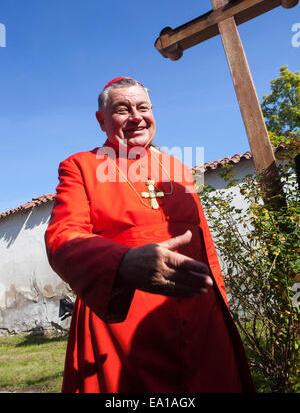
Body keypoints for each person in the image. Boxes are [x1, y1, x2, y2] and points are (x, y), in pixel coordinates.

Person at [45, 77, 254, 393]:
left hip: (200, 317)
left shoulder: (178, 169)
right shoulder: (81, 167)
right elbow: (63, 236)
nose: (136, 117)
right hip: (120, 320)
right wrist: (122, 263)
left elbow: (203, 244)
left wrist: (219, 306)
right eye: (122, 109)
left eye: (143, 107)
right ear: (102, 120)